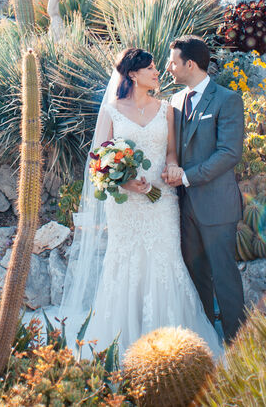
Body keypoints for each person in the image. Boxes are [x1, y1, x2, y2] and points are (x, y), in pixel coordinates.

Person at [59, 47, 223, 357]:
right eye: (150, 69)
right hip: (126, 206)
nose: (157, 73)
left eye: (156, 69)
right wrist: (126, 181)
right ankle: (124, 346)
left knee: (166, 263)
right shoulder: (111, 111)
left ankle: (174, 353)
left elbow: (172, 152)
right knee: (127, 265)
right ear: (133, 74)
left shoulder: (167, 110)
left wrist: (171, 167)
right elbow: (97, 162)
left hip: (162, 200)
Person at [164, 35, 247, 342]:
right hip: (183, 207)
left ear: (190, 64)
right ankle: (206, 340)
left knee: (224, 276)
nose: (169, 67)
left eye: (173, 61)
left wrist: (186, 176)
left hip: (216, 205)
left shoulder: (227, 99)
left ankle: (237, 342)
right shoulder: (173, 102)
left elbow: (229, 153)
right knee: (195, 275)